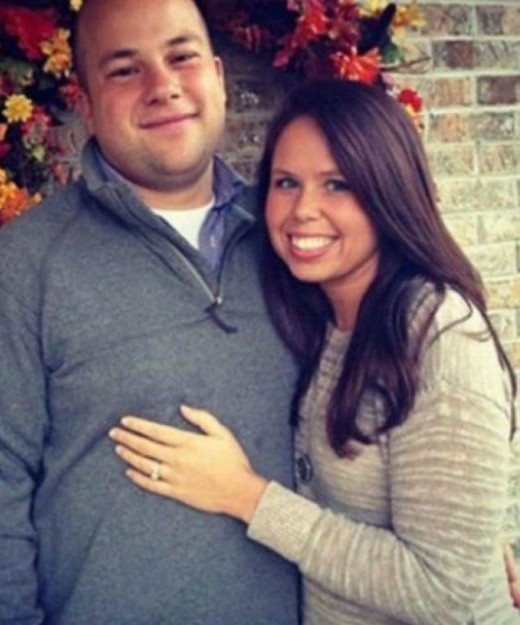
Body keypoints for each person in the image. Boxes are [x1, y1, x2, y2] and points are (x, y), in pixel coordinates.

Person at [0, 0, 301, 623]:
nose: (163, 86)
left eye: (181, 57)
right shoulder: (21, 272)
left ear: (216, 76)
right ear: (87, 101)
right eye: (125, 70)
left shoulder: (296, 243)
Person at [109, 79, 520, 625]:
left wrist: (246, 497)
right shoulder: (322, 315)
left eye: (337, 185)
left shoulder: (440, 337)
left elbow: (446, 593)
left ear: (390, 192)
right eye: (286, 182)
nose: (303, 209)